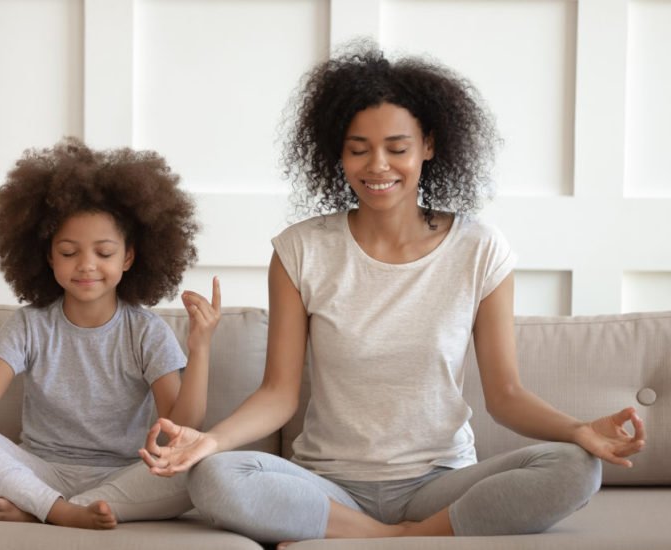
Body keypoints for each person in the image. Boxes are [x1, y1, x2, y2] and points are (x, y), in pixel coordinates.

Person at [138, 45, 646, 545]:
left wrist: (578, 429)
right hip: (329, 485)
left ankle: (384, 536)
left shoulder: (479, 249)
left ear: (428, 144)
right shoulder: (300, 250)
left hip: (440, 482)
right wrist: (211, 441)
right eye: (358, 149)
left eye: (397, 148)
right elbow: (278, 394)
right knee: (213, 475)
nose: (377, 166)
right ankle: (398, 536)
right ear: (337, 151)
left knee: (577, 466)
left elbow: (506, 396)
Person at [0, 138, 221, 530]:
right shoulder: (30, 324)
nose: (86, 266)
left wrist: (200, 349)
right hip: (36, 470)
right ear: (48, 257)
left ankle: (39, 509)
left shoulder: (147, 331)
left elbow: (180, 427)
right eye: (69, 251)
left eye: (104, 253)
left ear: (128, 257)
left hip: (124, 477)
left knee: (205, 461)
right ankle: (61, 510)